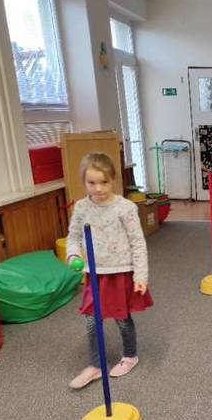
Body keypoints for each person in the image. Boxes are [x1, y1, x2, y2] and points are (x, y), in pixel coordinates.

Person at [66, 153, 153, 389]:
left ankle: (130, 355)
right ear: (84, 182)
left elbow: (138, 242)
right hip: (94, 273)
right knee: (91, 321)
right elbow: (73, 236)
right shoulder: (82, 207)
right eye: (91, 182)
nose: (98, 188)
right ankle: (96, 365)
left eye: (104, 182)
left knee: (122, 319)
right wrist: (73, 255)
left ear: (113, 179)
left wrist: (140, 275)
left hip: (120, 272)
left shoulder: (125, 208)